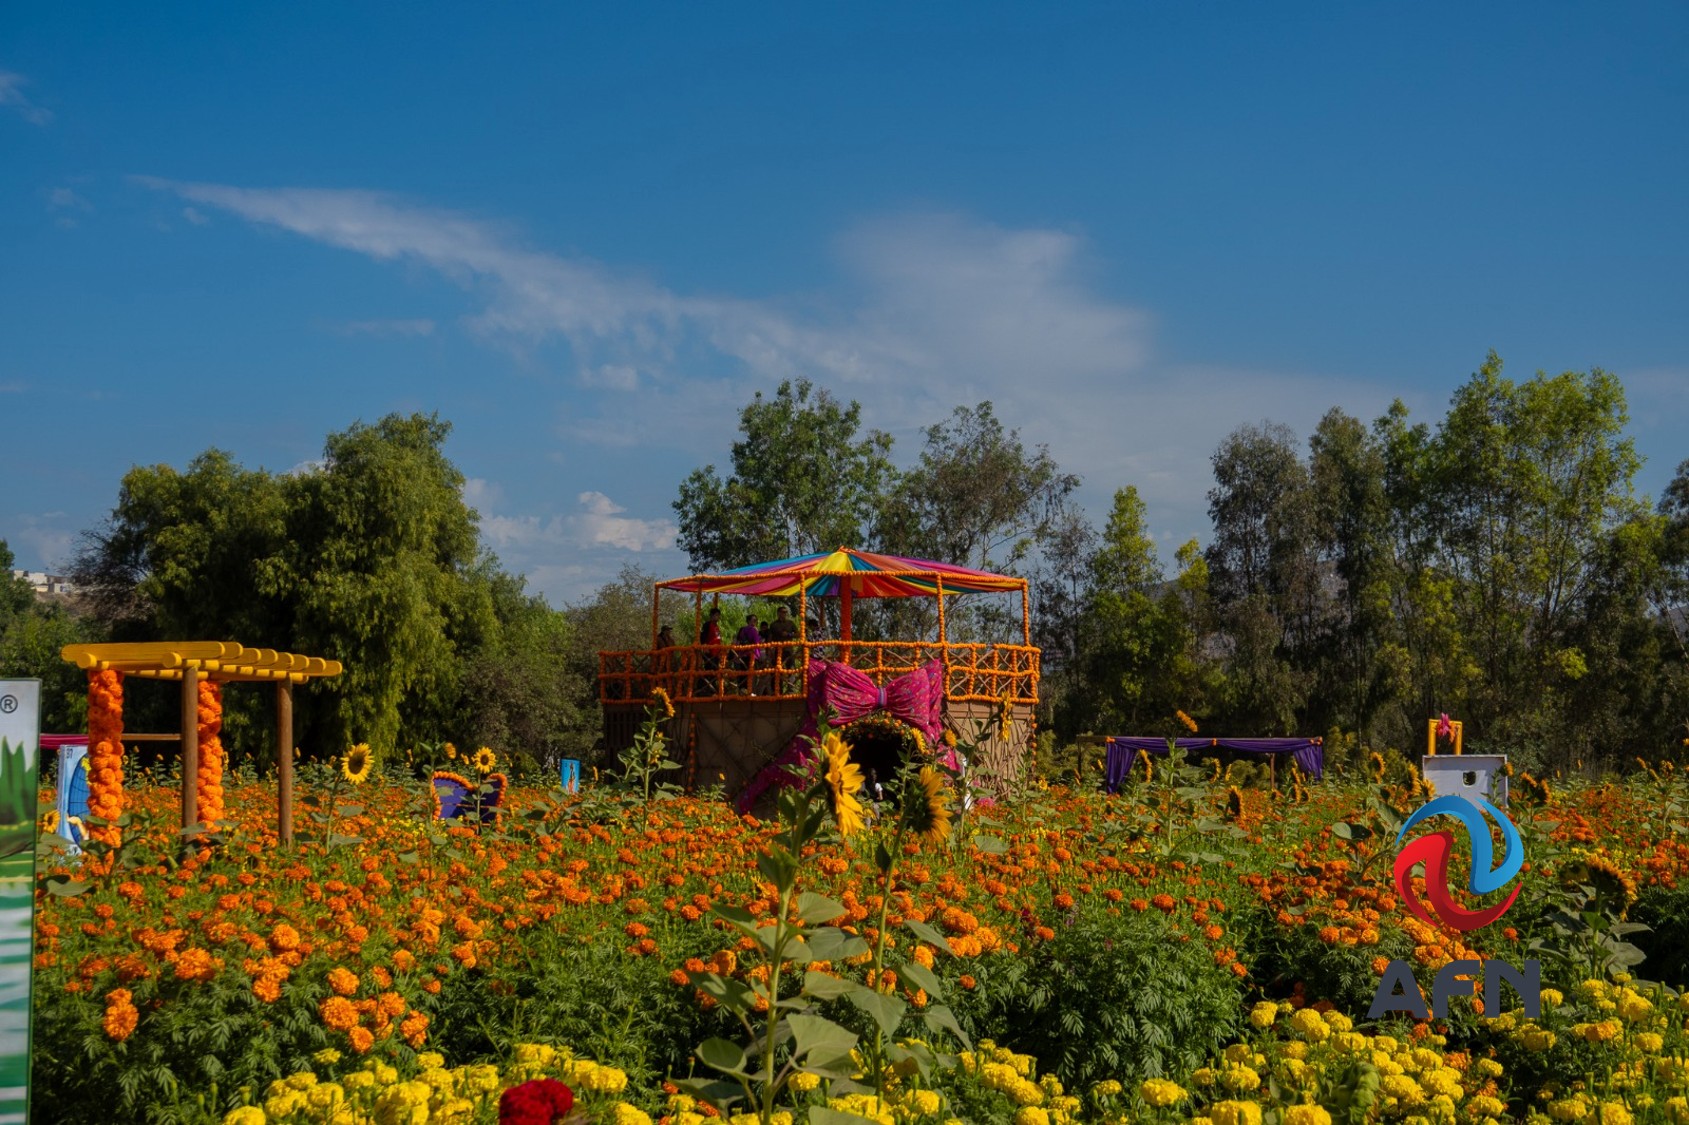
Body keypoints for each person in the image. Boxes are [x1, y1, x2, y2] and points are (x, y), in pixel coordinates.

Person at [766, 606, 799, 691]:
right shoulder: (773, 625)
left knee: (791, 669)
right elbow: (770, 637)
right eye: (782, 612)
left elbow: (798, 634)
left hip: (789, 650)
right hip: (777, 651)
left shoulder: (790, 623)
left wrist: (789, 635)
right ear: (778, 613)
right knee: (777, 670)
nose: (784, 614)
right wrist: (769, 649)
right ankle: (777, 690)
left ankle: (791, 689)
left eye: (785, 612)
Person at [733, 614, 763, 693]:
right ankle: (751, 691)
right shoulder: (753, 630)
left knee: (744, 673)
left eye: (756, 620)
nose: (755, 622)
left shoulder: (742, 630)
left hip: (743, 654)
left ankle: (742, 690)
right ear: (749, 621)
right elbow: (757, 642)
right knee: (753, 674)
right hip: (753, 654)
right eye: (754, 620)